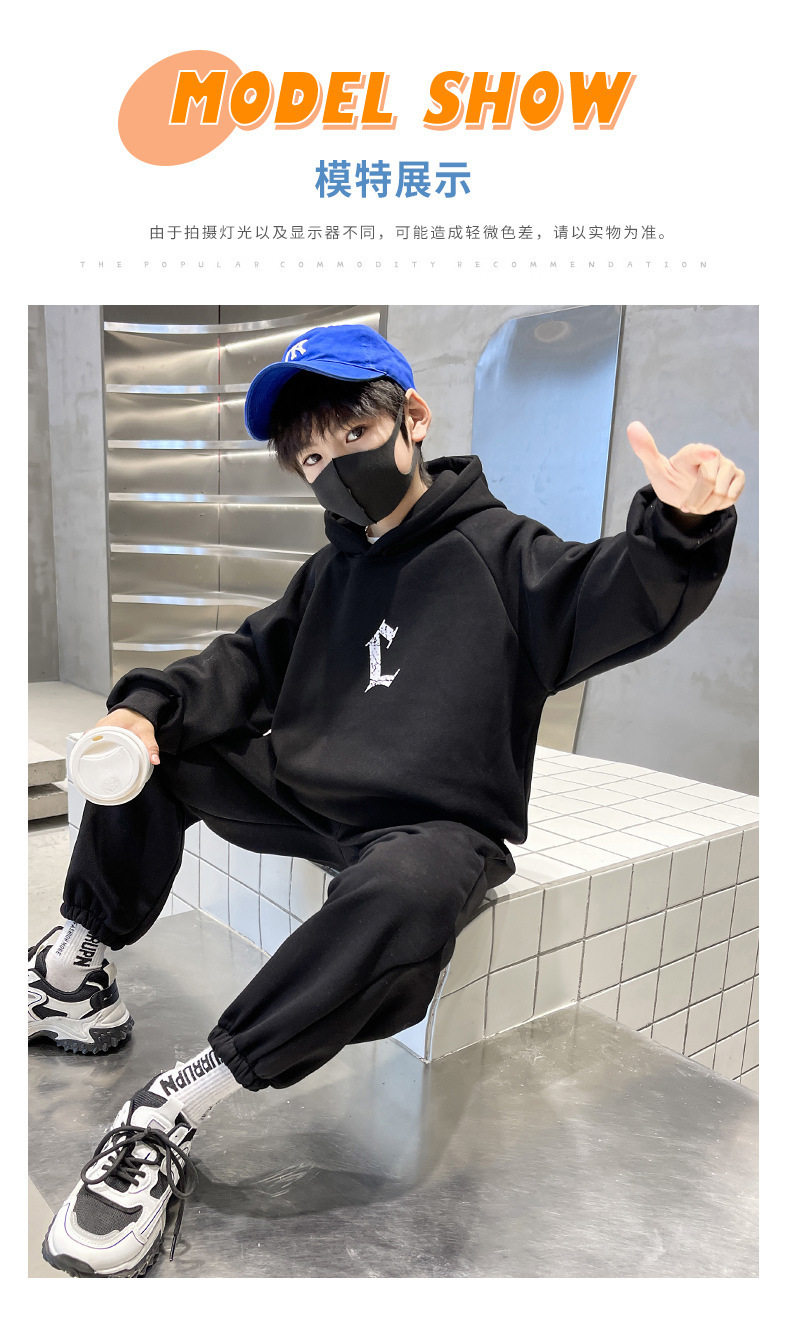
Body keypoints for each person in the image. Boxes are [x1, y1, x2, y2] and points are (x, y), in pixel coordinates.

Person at [30, 323, 745, 1278]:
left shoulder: (504, 555)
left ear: (413, 417)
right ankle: (74, 968)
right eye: (311, 459)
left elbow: (615, 592)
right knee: (153, 744)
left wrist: (679, 528)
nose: (335, 470)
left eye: (354, 437)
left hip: (431, 823)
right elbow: (241, 662)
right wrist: (141, 711)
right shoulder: (329, 573)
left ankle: (171, 1109)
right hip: (307, 792)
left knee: (410, 890)